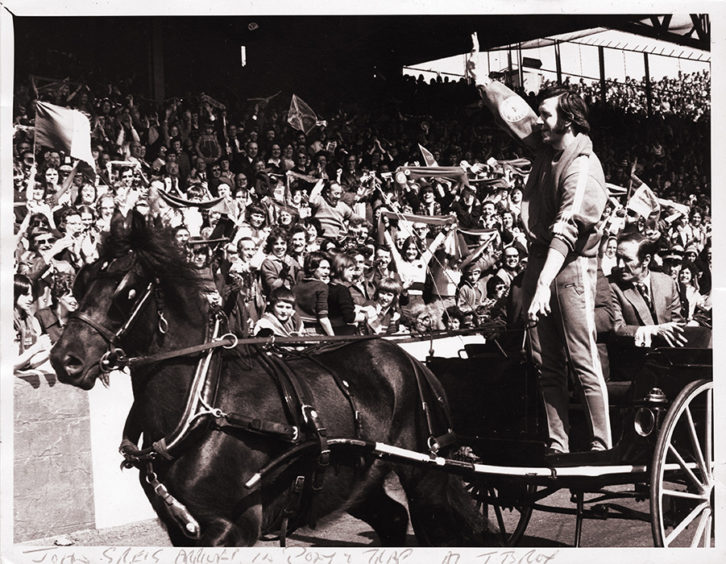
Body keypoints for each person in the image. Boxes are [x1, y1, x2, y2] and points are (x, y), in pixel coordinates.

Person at [470, 57, 611, 454]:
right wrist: (485, 83)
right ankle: (557, 444)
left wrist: (544, 284)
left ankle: (603, 445)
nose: (539, 121)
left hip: (571, 267)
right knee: (544, 360)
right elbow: (517, 116)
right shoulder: (548, 147)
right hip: (541, 262)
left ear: (569, 121)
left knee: (581, 357)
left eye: (546, 115)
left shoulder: (582, 165)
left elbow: (568, 231)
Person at [609, 232, 686, 347]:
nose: (619, 265)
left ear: (646, 260)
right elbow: (618, 328)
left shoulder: (667, 282)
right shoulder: (611, 286)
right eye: (618, 258)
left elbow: (677, 325)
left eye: (627, 259)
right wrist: (654, 331)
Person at [293, 251, 335, 336]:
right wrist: (333, 337)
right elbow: (323, 318)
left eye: (328, 268)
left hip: (297, 329)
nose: (327, 272)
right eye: (323, 268)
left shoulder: (297, 285)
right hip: (315, 331)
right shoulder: (321, 286)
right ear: (311, 268)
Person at [327, 253, 367, 335]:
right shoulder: (342, 290)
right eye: (351, 270)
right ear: (340, 269)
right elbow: (349, 317)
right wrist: (366, 316)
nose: (353, 273)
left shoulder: (328, 286)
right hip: (341, 332)